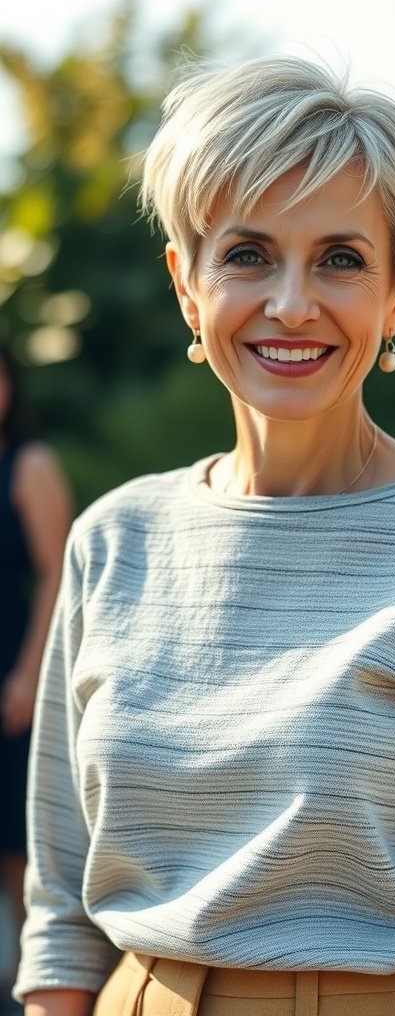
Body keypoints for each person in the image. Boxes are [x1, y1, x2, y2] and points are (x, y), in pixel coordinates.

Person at [15, 56, 395, 1016]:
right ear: (186, 286)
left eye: (342, 259)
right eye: (245, 254)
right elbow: (62, 898)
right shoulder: (114, 539)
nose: (290, 303)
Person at [0, 343, 71, 1009]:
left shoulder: (30, 464)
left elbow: (58, 573)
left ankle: (39, 996)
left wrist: (27, 674)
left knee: (20, 850)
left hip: (12, 668)